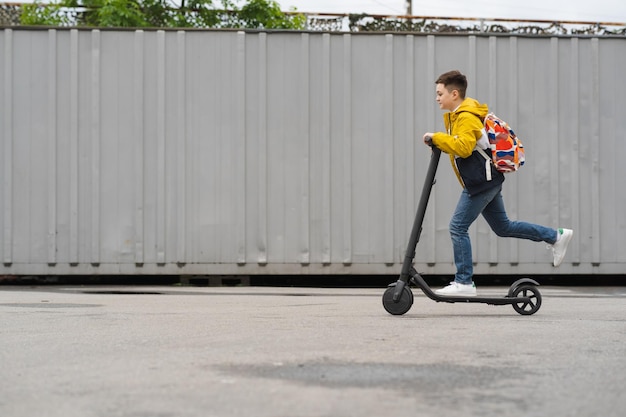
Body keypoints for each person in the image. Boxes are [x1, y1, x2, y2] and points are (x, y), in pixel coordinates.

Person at [422, 70, 573, 297]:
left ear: (454, 93)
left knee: (457, 227)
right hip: (486, 180)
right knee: (504, 227)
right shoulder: (461, 114)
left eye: (439, 93)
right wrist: (440, 141)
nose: (437, 98)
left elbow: (462, 147)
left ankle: (463, 282)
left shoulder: (466, 117)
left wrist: (436, 137)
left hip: (482, 182)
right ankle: (555, 236)